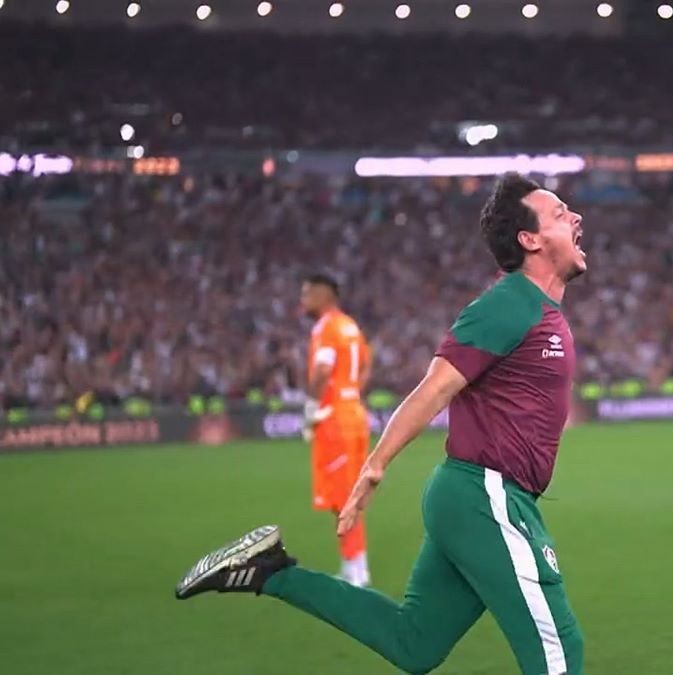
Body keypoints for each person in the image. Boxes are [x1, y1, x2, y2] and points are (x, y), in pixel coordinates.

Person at [175, 173, 589, 675]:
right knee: (558, 651)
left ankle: (267, 572)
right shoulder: (511, 302)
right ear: (530, 240)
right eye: (561, 213)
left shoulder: (540, 311)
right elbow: (435, 387)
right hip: (486, 496)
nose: (576, 218)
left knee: (414, 642)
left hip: (479, 499)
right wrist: (374, 467)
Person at [300, 272, 373, 587]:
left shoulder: (327, 327)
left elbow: (322, 371)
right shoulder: (349, 326)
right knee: (348, 494)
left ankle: (356, 570)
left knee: (343, 498)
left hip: (335, 421)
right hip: (354, 414)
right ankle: (354, 564)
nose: (302, 300)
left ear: (324, 294)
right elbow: (367, 364)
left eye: (307, 293)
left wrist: (310, 408)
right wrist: (351, 392)